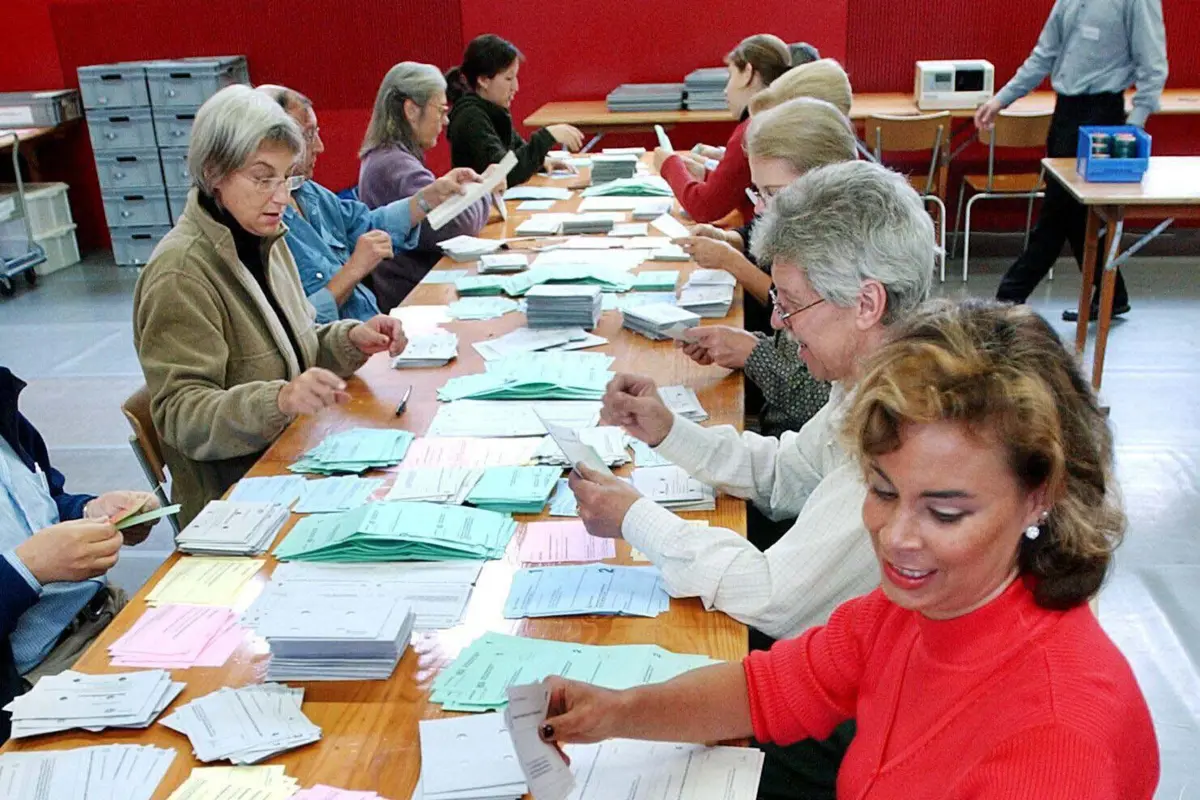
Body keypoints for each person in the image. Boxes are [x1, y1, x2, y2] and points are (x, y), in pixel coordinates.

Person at [539, 299, 1159, 799]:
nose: (896, 537)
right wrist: (617, 712)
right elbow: (762, 692)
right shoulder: (913, 609)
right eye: (882, 491)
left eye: (945, 511)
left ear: (1039, 497)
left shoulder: (1055, 741)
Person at [570, 160, 935, 642]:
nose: (778, 321)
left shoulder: (907, 432)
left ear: (867, 304)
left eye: (792, 303)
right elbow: (790, 472)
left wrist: (636, 519)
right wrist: (668, 430)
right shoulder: (867, 376)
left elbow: (772, 598)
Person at [133, 86, 416, 526]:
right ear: (214, 173)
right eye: (262, 177)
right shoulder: (181, 274)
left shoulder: (265, 238)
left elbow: (292, 348)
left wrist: (349, 340)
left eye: (287, 178)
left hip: (292, 462)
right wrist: (280, 400)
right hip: (236, 503)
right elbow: (182, 416)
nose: (281, 195)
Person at [679, 98, 856, 453]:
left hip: (800, 456)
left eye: (772, 194)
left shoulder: (846, 268)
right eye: (757, 192)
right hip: (784, 447)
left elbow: (819, 406)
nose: (759, 209)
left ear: (826, 181)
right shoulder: (809, 243)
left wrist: (752, 352)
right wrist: (740, 345)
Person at [976, 0, 1167, 321]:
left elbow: (1154, 65)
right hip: (1065, 113)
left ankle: (1006, 298)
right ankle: (1113, 295)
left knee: (1056, 215)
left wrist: (1132, 126)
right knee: (1077, 217)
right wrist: (1000, 99)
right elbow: (1044, 55)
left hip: (1102, 116)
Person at [1, 366, 159, 741]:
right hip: (31, 679)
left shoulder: (5, 411)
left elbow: (42, 502)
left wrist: (90, 513)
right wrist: (27, 569)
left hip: (102, 617)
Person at [257, 84, 476, 322]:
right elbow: (300, 327)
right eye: (308, 135)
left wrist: (427, 198)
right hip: (345, 349)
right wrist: (354, 269)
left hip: (372, 328)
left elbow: (366, 224)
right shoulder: (263, 223)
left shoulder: (309, 192)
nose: (320, 146)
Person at [359, 62, 500, 311]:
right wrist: (485, 189)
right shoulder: (392, 165)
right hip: (414, 296)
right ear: (412, 110)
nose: (445, 120)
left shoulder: (391, 157)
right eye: (441, 110)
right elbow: (458, 226)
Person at [654, 34, 791, 225]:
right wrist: (707, 175)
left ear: (747, 73)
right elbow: (745, 190)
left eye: (731, 75)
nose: (726, 90)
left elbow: (704, 207)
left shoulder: (752, 130)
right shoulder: (782, 116)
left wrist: (669, 164)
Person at [445, 34, 583, 186]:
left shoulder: (492, 110)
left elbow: (518, 151)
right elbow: (506, 173)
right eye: (508, 79)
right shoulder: (471, 117)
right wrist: (547, 136)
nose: (515, 87)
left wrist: (541, 161)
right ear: (483, 80)